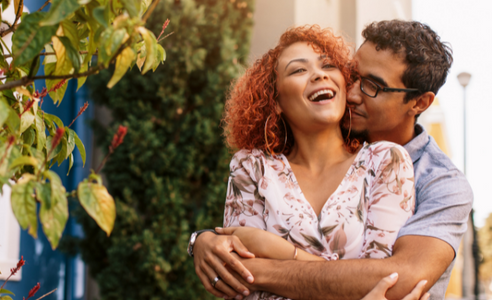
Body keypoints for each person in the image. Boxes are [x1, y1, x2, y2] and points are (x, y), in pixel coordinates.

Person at [190, 20, 473, 300]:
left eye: (372, 86)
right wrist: (202, 240)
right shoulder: (255, 166)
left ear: (419, 103)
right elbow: (233, 274)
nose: (350, 92)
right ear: (273, 97)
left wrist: (272, 258)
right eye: (353, 75)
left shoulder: (439, 182)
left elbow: (395, 281)